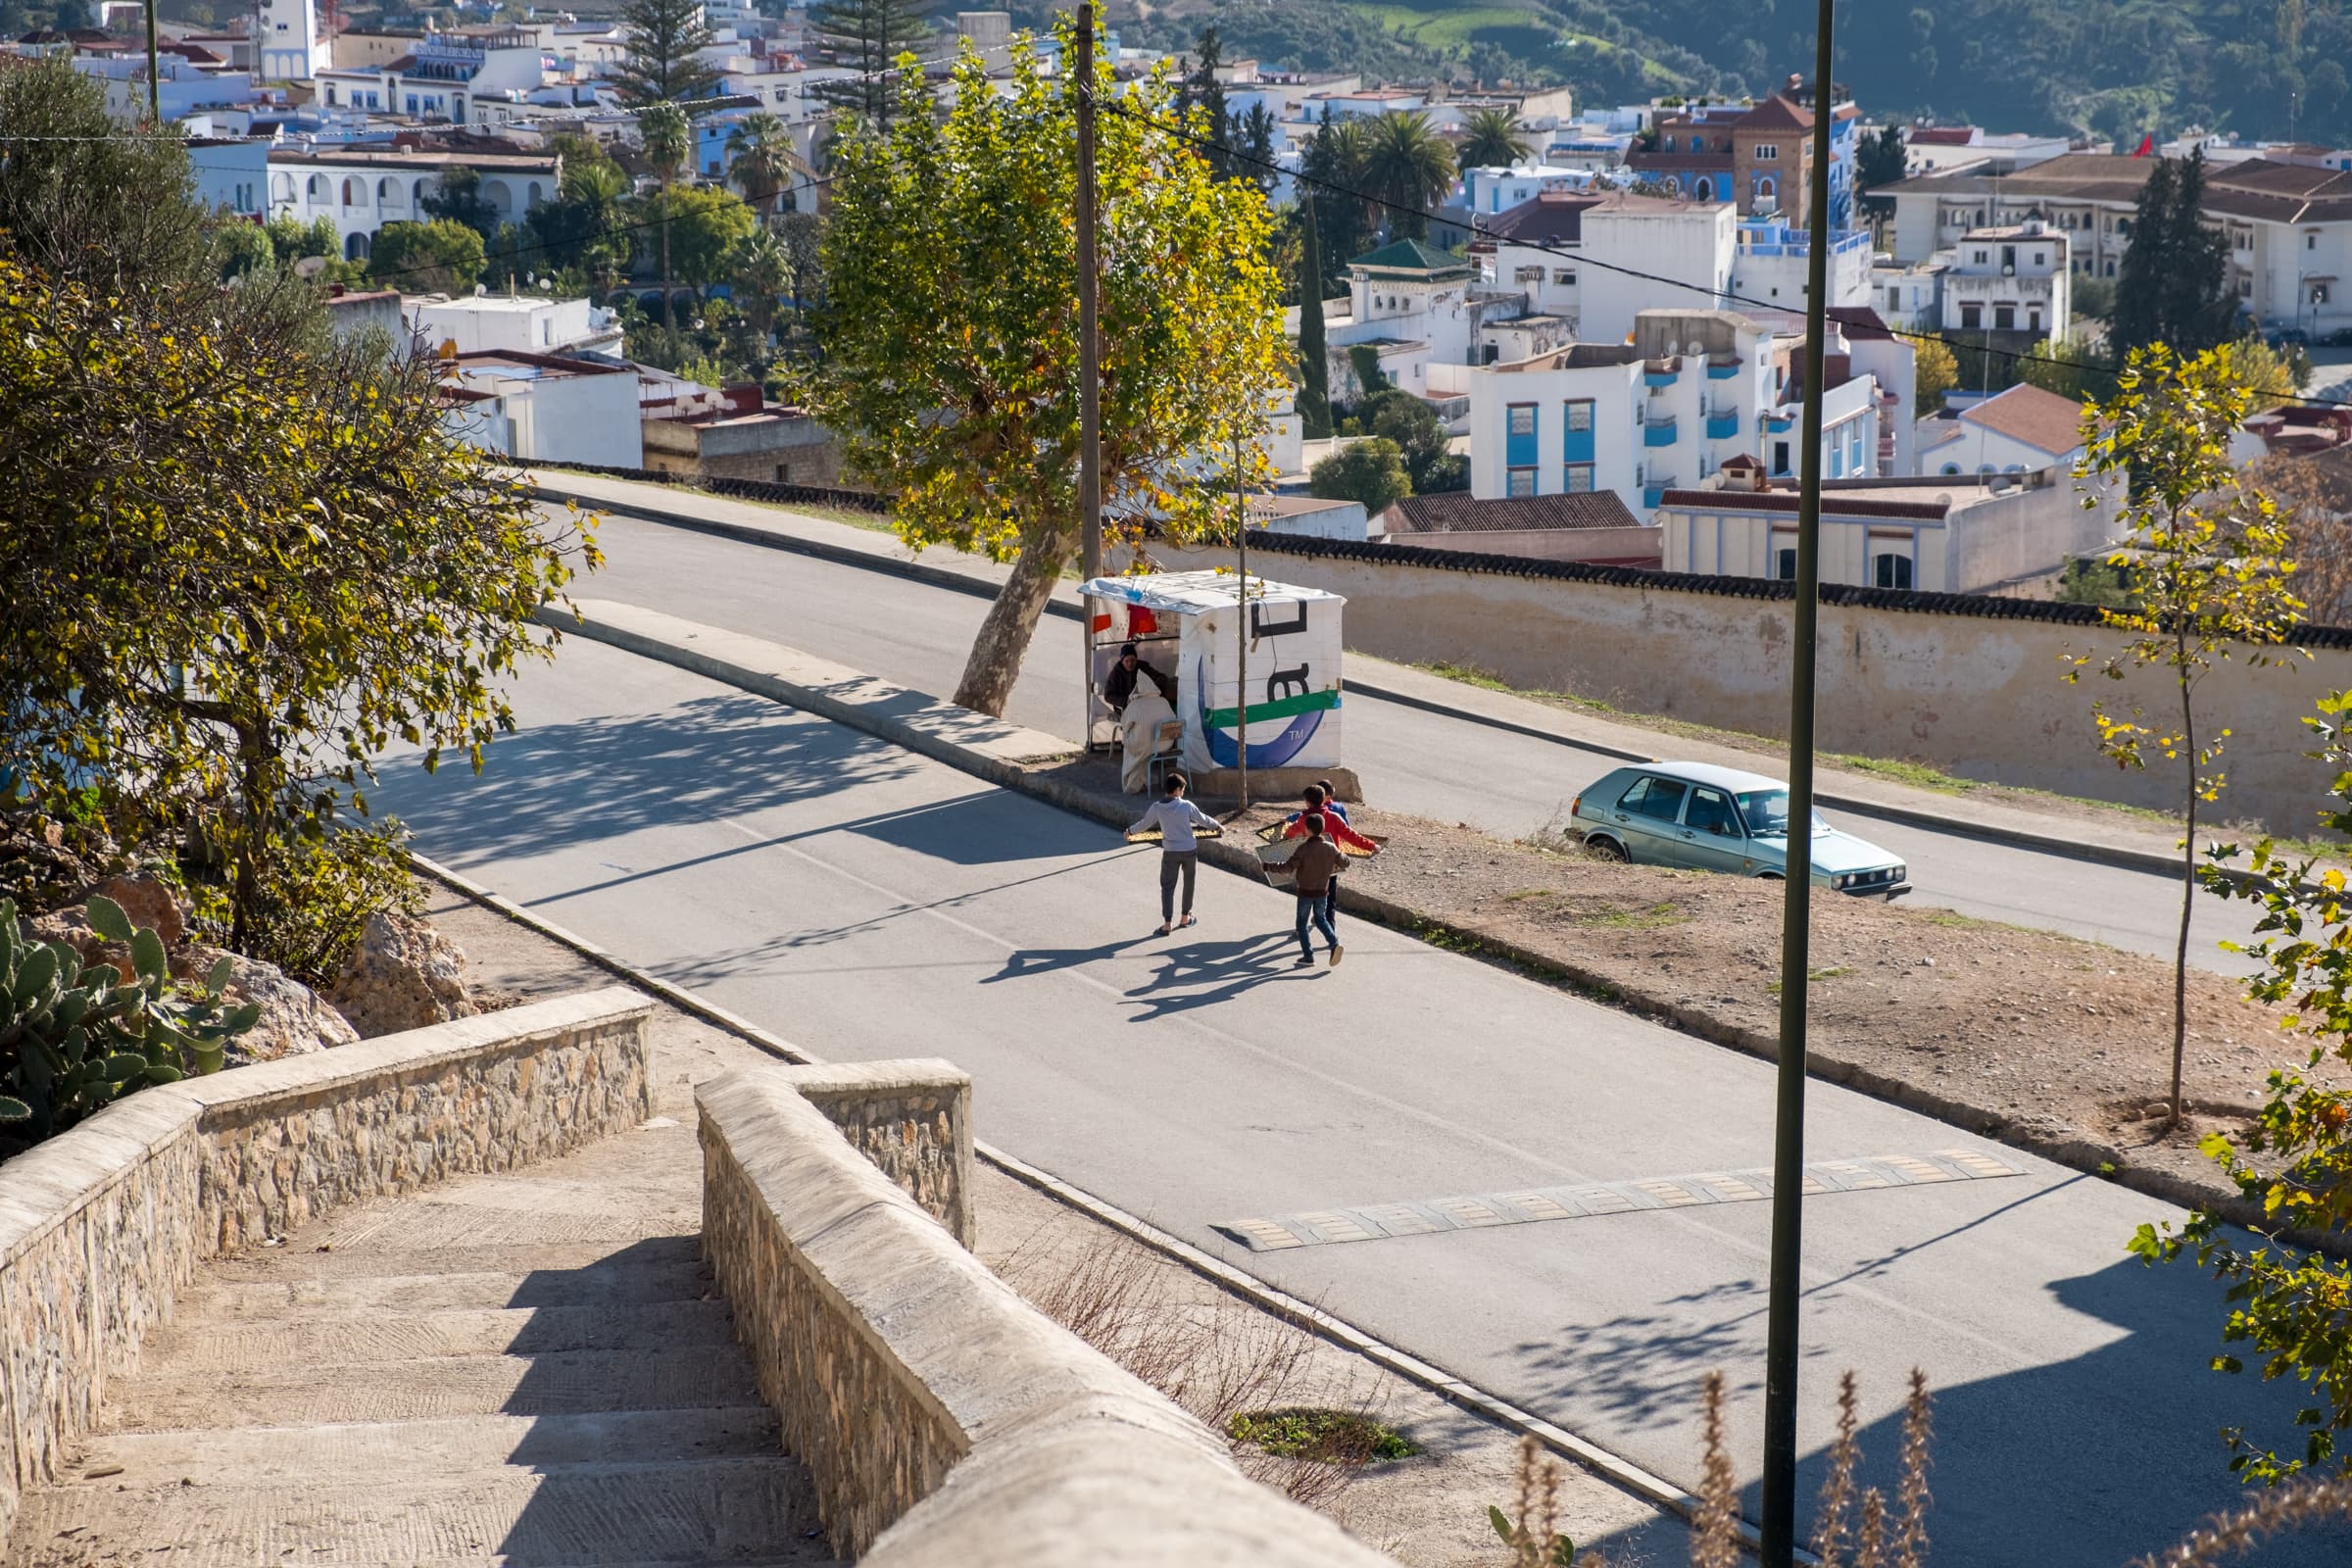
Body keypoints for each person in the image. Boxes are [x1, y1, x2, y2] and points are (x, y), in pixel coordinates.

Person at [1125, 771, 1218, 935]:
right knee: (1189, 882)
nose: (1182, 793)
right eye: (1182, 790)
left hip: (1170, 852)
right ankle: (1185, 918)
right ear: (1176, 790)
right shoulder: (1186, 805)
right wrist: (1218, 826)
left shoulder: (1157, 807)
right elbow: (1203, 820)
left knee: (1167, 887)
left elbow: (1144, 824)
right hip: (1189, 850)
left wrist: (1129, 831)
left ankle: (1167, 924)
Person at [1280, 785, 1376, 940]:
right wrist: (1372, 845)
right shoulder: (1334, 817)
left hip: (1308, 866)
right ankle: (1330, 932)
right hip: (1330, 865)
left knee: (1306, 897)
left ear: (1308, 803)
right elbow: (1352, 836)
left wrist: (1283, 840)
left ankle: (1301, 930)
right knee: (1329, 898)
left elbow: (1291, 832)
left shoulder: (1304, 819)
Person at [1285, 813, 1348, 968]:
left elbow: (1288, 867)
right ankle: (1334, 944)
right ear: (1322, 828)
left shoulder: (1303, 848)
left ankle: (1308, 956)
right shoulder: (1330, 847)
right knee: (1320, 919)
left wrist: (1268, 866)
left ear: (1307, 829)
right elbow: (1345, 863)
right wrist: (1342, 855)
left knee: (1301, 923)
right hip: (1322, 892)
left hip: (1306, 892)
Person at [1102, 642, 1175, 716]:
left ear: (1136, 659)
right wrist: (1126, 701)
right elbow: (1108, 696)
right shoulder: (1116, 674)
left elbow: (1161, 677)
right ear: (1122, 661)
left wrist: (1154, 690)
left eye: (1133, 660)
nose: (1130, 664)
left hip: (1146, 704)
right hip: (1126, 708)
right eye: (1127, 661)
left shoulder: (1143, 667)